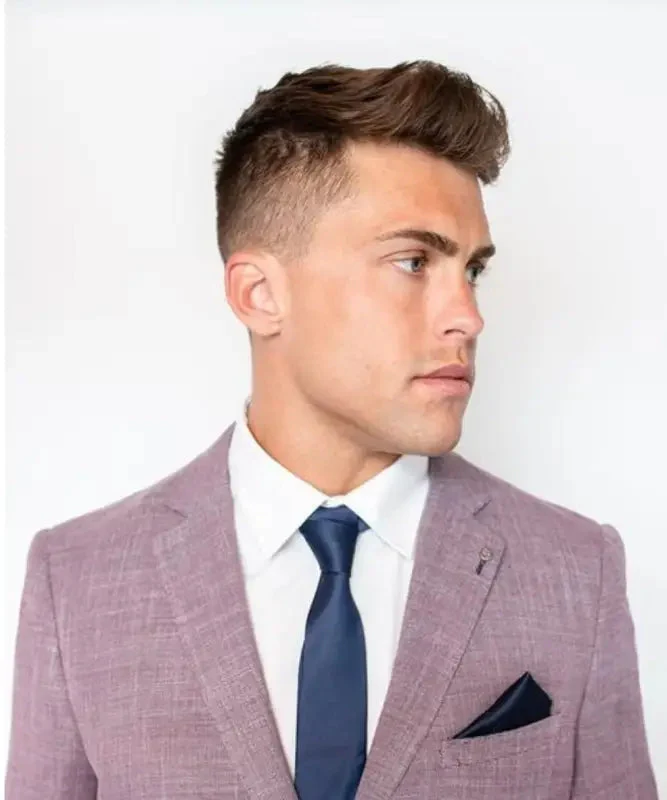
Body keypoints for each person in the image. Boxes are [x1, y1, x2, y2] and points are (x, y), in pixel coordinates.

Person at [5, 60, 657, 800]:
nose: (468, 317)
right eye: (412, 261)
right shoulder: (78, 579)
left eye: (472, 270)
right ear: (259, 294)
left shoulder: (575, 570)